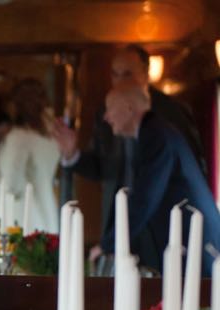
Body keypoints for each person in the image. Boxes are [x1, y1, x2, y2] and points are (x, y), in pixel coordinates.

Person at [51, 45, 206, 245]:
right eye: (115, 74)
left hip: (164, 222)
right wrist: (72, 154)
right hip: (120, 218)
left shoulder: (170, 112)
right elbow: (102, 167)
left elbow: (193, 167)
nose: (120, 81)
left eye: (127, 74)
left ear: (146, 74)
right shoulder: (105, 112)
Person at [95, 84, 220, 275]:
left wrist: (108, 245)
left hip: (197, 245)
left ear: (128, 108)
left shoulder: (155, 135)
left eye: (109, 108)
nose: (106, 117)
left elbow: (144, 199)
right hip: (188, 244)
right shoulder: (154, 131)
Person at [0, 78, 60, 233]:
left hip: (22, 223)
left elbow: (12, 187)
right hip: (48, 216)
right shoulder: (51, 137)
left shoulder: (18, 138)